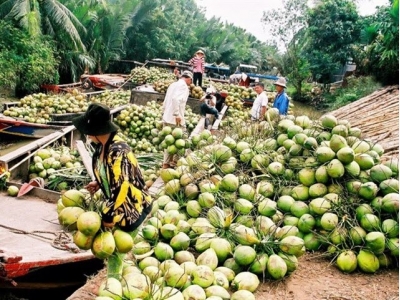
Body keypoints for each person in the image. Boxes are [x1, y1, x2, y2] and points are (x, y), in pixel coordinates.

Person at [72, 103, 152, 232]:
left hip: (132, 210)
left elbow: (122, 188)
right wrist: (100, 183)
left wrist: (107, 216)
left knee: (117, 250)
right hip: (116, 208)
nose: (87, 135)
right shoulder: (101, 146)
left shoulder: (119, 151)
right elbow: (111, 173)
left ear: (95, 130)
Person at [162, 71, 193, 169]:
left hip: (167, 117)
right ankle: (176, 162)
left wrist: (164, 113)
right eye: (191, 81)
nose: (191, 83)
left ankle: (166, 164)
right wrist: (177, 114)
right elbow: (175, 99)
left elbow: (166, 100)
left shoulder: (173, 85)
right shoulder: (183, 86)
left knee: (169, 142)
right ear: (188, 78)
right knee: (183, 141)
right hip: (176, 119)